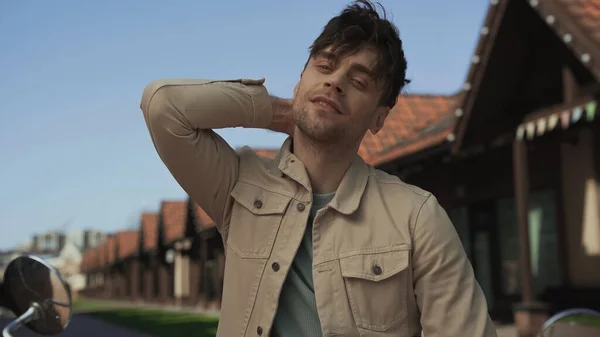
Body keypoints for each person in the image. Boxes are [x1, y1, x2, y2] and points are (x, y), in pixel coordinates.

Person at [140, 1, 497, 336]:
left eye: (357, 82)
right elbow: (163, 106)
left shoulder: (417, 218)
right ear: (300, 80)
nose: (334, 82)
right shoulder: (238, 186)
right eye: (324, 67)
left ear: (379, 117)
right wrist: (283, 112)